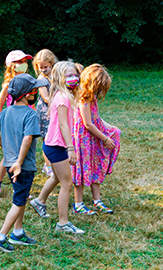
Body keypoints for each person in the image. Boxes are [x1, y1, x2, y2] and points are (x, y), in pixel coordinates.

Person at [0, 73, 48, 252]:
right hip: (23, 166)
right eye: (34, 90)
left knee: (20, 197)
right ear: (27, 94)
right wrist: (20, 162)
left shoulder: (6, 112)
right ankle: (0, 237)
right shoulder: (31, 114)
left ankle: (18, 233)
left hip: (9, 164)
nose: (36, 93)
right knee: (19, 201)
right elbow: (27, 139)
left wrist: (6, 149)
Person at [30, 60, 85, 234]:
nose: (74, 78)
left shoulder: (63, 94)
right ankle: (63, 223)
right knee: (67, 183)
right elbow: (63, 125)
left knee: (56, 177)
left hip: (52, 145)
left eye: (75, 74)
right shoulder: (62, 97)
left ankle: (39, 201)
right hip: (57, 146)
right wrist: (71, 148)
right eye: (69, 75)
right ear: (60, 77)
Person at [72, 64, 121, 215]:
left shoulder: (91, 96)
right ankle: (78, 203)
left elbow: (96, 118)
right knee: (81, 168)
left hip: (92, 138)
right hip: (83, 140)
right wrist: (105, 138)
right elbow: (87, 124)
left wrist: (111, 128)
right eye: (99, 87)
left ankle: (97, 200)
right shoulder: (83, 98)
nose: (100, 91)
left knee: (95, 166)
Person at [0, 50, 33, 200]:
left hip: (26, 123)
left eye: (25, 61)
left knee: (23, 156)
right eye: (19, 62)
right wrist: (2, 125)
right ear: (11, 66)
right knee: (8, 157)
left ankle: (19, 187)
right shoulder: (8, 85)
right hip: (13, 124)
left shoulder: (29, 82)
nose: (23, 65)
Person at [32, 49, 58, 177]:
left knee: (56, 138)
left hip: (56, 110)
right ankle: (48, 166)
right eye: (40, 67)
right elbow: (46, 99)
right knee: (47, 139)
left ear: (52, 63)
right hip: (46, 112)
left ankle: (53, 163)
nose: (42, 69)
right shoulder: (41, 79)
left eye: (45, 67)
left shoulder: (56, 75)